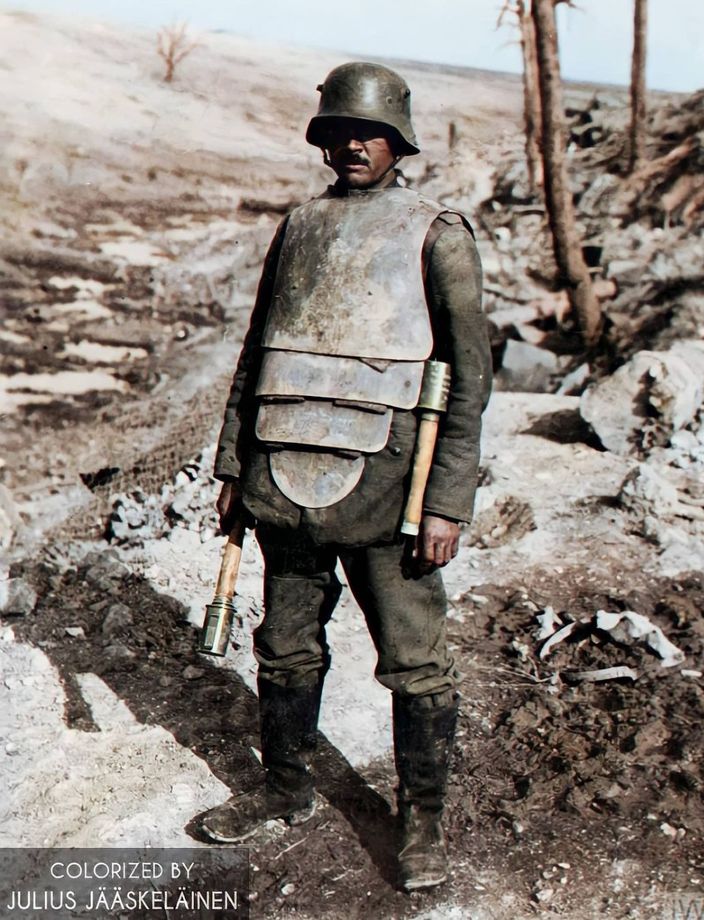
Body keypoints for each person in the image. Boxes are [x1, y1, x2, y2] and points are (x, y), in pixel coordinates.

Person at [200, 61, 492, 892]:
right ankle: (285, 787)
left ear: (398, 143)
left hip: (392, 494)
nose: (352, 146)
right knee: (285, 648)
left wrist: (446, 504)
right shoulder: (298, 227)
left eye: (368, 133)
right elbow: (258, 356)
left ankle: (421, 826)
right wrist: (234, 464)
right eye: (338, 131)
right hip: (285, 480)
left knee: (414, 661)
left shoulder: (439, 234)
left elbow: (470, 379)